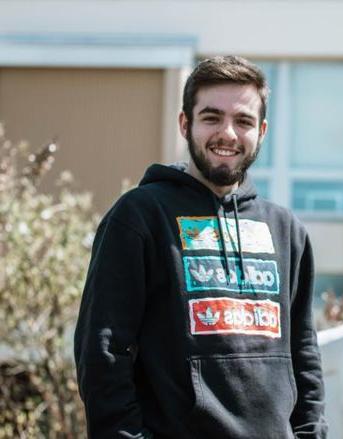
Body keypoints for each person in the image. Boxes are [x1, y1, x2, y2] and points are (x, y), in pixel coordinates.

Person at [74, 55, 327, 438]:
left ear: (261, 130)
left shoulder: (285, 230)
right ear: (184, 123)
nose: (227, 133)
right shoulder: (141, 216)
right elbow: (104, 353)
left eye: (242, 121)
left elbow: (304, 359)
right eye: (212, 117)